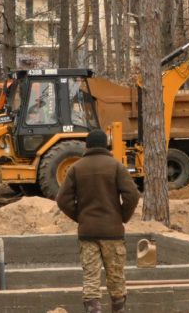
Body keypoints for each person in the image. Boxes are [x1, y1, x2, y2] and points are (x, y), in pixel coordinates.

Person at [56, 129, 140, 313]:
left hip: (88, 233)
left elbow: (62, 200)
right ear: (105, 145)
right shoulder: (116, 166)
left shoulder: (76, 168)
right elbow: (132, 195)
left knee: (91, 279)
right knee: (116, 278)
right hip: (113, 233)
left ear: (87, 146)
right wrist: (122, 216)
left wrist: (81, 217)